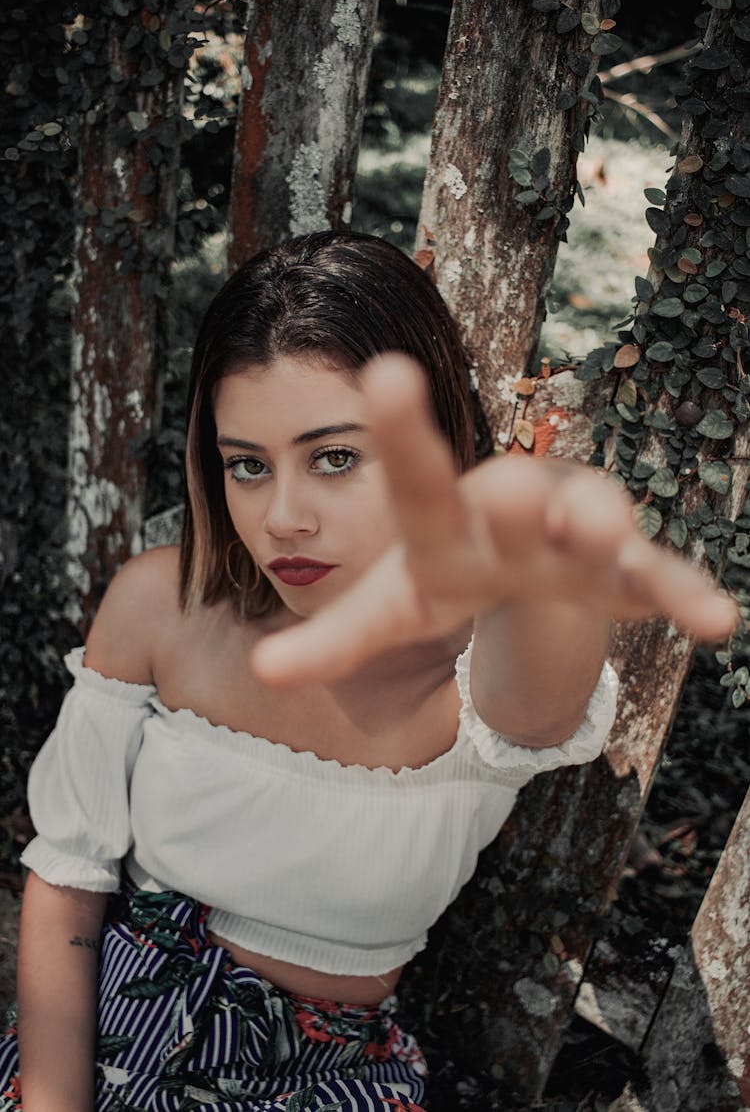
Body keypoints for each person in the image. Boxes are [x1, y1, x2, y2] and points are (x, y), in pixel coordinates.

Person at [0, 230, 737, 1112]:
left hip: (325, 1079)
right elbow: (70, 874)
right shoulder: (164, 605)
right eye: (247, 464)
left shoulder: (477, 674)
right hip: (112, 1036)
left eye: (336, 457)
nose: (282, 519)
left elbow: (541, 699)